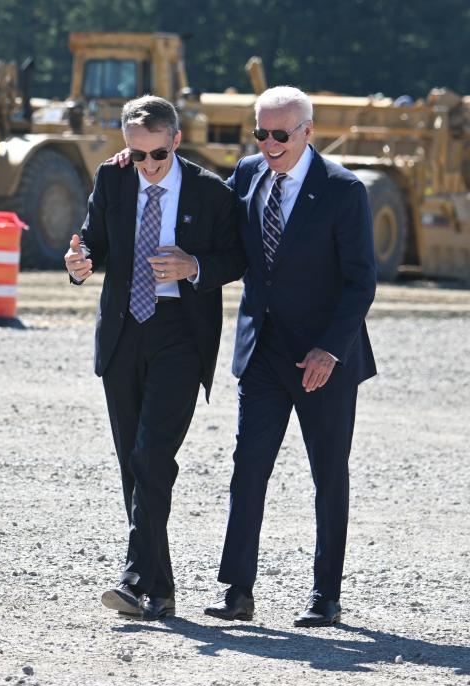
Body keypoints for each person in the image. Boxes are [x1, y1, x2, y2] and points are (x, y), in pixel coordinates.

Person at [201, 86, 377, 626]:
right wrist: (131, 163)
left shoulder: (344, 190)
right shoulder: (249, 173)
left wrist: (330, 349)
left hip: (324, 356)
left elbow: (360, 282)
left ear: (307, 132)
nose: (270, 143)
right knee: (248, 467)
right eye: (261, 132)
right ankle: (238, 592)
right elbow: (215, 222)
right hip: (262, 353)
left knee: (328, 474)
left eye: (281, 134)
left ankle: (326, 596)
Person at [65, 95, 245, 620]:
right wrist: (79, 263)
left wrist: (192, 266)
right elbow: (93, 242)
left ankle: (134, 576)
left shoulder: (211, 192)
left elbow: (235, 258)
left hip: (179, 335)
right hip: (123, 333)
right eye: (137, 154)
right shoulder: (114, 177)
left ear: (176, 141)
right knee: (133, 463)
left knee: (152, 456)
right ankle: (158, 591)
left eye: (157, 155)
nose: (146, 165)